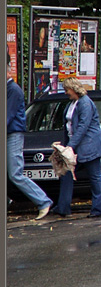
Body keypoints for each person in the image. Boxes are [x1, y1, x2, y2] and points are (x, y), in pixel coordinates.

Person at [7, 52, 54, 220]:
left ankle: (43, 201)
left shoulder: (13, 90)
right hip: (8, 134)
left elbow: (7, 116)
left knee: (15, 174)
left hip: (12, 135)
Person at [54, 77, 101, 218]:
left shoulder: (85, 103)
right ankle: (63, 207)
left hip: (90, 146)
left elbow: (82, 127)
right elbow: (69, 127)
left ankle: (100, 208)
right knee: (66, 174)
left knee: (95, 176)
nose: (66, 92)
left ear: (74, 89)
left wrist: (69, 147)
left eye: (67, 89)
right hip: (77, 147)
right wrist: (65, 146)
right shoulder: (72, 104)